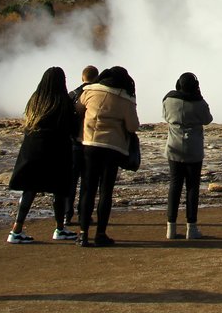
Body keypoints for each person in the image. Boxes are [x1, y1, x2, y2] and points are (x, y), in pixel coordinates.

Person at [7, 67, 76, 244]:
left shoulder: (35, 99)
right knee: (59, 190)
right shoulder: (63, 101)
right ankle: (60, 228)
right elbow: (72, 127)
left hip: (32, 147)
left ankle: (16, 229)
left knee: (29, 189)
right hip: (56, 150)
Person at [77, 65, 139, 246]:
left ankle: (82, 234)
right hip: (113, 148)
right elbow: (132, 126)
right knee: (106, 192)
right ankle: (100, 234)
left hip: (89, 144)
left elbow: (78, 111)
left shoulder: (90, 91)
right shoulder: (126, 98)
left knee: (88, 189)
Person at [163, 71, 213, 239]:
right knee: (192, 188)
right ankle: (191, 228)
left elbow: (165, 116)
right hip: (194, 150)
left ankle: (171, 227)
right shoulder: (199, 103)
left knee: (174, 186)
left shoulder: (169, 100)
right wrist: (199, 96)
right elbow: (207, 119)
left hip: (174, 148)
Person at [67, 65, 98, 224]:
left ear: (82, 77)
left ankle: (66, 215)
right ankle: (83, 215)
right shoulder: (98, 94)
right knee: (87, 182)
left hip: (72, 143)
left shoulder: (72, 94)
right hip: (90, 142)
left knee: (70, 181)